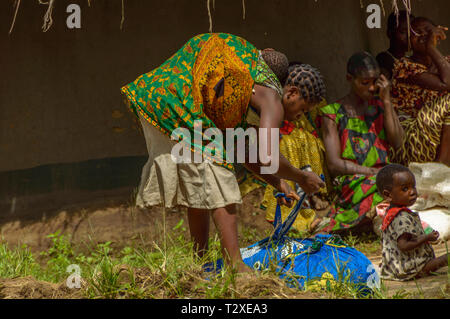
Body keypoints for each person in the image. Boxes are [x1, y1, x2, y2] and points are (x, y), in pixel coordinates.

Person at [121, 33, 325, 272]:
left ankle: (201, 264)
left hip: (159, 95)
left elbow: (242, 150)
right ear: (291, 93)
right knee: (222, 178)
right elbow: (268, 156)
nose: (300, 116)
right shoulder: (272, 98)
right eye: (303, 109)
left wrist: (277, 182)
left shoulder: (240, 90)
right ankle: (237, 268)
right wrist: (301, 177)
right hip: (180, 101)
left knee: (201, 183)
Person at [318, 52, 404, 233]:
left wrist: (387, 102)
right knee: (385, 191)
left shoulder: (380, 107)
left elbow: (397, 141)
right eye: (365, 83)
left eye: (375, 81)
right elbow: (334, 164)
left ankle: (371, 220)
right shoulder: (332, 114)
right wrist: (372, 172)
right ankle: (365, 221)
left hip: (383, 176)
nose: (372, 88)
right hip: (353, 180)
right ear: (350, 78)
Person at [390, 17, 450, 166]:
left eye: (428, 32)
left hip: (436, 135)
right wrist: (430, 47)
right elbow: (447, 83)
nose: (423, 36)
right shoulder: (404, 66)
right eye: (417, 33)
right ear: (409, 40)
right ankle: (442, 163)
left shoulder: (446, 64)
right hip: (412, 139)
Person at [376, 164, 448, 281]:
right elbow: (404, 245)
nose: (412, 192)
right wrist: (427, 237)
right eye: (405, 189)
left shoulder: (392, 212)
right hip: (406, 268)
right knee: (444, 259)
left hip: (396, 265)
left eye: (413, 187)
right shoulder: (400, 218)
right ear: (388, 195)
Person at [376, 10, 415, 79]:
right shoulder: (384, 59)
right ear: (390, 33)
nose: (409, 37)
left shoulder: (411, 59)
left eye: (412, 32)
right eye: (403, 32)